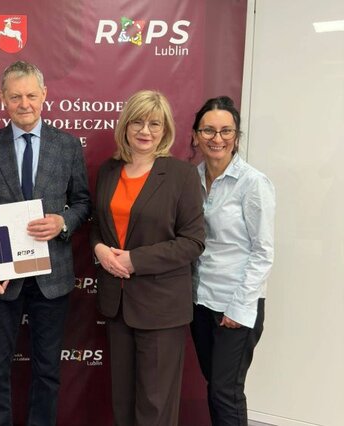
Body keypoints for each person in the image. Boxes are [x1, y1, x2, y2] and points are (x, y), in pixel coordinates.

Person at [0, 60, 91, 426]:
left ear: (44, 95)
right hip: (1, 276)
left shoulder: (67, 146)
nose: (24, 104)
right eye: (16, 96)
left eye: (31, 95)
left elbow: (83, 202)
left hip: (52, 278)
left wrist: (63, 222)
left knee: (48, 370)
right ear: (2, 98)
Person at [90, 90, 205, 426]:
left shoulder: (182, 175)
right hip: (117, 304)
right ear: (125, 126)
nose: (145, 131)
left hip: (161, 307)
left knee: (155, 406)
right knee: (123, 402)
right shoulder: (109, 171)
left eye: (155, 124)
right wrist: (98, 249)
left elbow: (193, 242)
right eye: (137, 122)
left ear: (165, 129)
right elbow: (98, 227)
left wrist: (135, 260)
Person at [189, 96, 275, 425]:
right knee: (215, 387)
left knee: (226, 391)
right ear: (196, 135)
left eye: (226, 131)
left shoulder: (253, 183)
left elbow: (263, 252)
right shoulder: (192, 179)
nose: (217, 138)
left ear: (236, 136)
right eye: (208, 130)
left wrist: (239, 308)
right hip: (201, 301)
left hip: (235, 305)